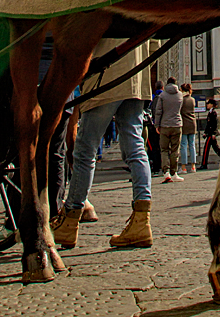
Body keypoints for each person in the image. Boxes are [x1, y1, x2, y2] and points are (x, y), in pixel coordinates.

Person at [51, 40, 154, 251]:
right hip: (136, 80)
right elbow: (154, 43)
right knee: (136, 148)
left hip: (105, 78)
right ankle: (141, 222)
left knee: (84, 152)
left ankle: (70, 220)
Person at [154, 75, 184, 181]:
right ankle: (174, 172)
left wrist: (157, 125)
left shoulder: (162, 95)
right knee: (175, 150)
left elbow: (158, 111)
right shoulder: (180, 95)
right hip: (177, 125)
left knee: (164, 150)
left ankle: (166, 172)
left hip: (165, 126)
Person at [179, 82, 197, 173]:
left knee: (183, 145)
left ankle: (183, 167)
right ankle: (193, 166)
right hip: (192, 123)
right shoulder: (192, 99)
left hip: (184, 124)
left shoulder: (182, 100)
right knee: (192, 145)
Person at [199, 97, 220, 168]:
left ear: (211, 105)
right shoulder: (210, 112)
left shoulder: (213, 113)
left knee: (206, 149)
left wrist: (213, 133)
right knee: (216, 148)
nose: (207, 105)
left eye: (208, 104)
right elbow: (208, 124)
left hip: (211, 134)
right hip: (210, 133)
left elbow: (214, 124)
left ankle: (204, 164)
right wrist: (205, 132)